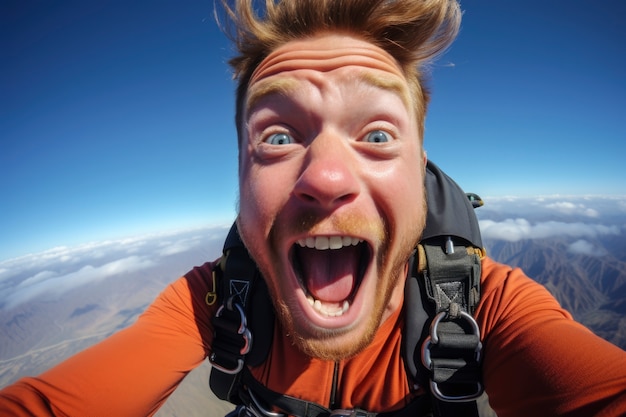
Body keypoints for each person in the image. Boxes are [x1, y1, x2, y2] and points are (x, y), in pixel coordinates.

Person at [1, 0, 625, 416]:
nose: (326, 177)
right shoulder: (215, 303)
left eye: (377, 135)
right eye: (277, 137)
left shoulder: (477, 304)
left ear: (421, 170)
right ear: (240, 181)